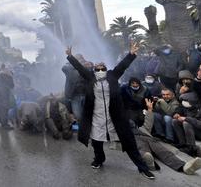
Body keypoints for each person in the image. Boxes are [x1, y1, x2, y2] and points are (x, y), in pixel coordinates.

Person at [66, 43, 155, 179]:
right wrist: (70, 56)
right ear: (94, 69)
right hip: (96, 116)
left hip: (115, 116)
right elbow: (79, 68)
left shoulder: (113, 75)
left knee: (129, 141)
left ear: (106, 69)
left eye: (103, 68)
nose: (101, 69)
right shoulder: (89, 77)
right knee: (96, 141)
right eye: (98, 68)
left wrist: (131, 54)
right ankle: (99, 159)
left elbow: (123, 65)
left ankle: (142, 167)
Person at [133, 99, 201, 175]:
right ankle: (149, 163)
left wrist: (150, 109)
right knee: (143, 151)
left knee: (165, 152)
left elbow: (148, 123)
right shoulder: (126, 132)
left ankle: (185, 167)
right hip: (135, 139)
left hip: (149, 138)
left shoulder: (142, 128)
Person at [172, 92, 201, 156]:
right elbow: (179, 110)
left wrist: (187, 119)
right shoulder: (187, 107)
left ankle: (191, 148)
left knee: (186, 123)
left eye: (186, 100)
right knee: (175, 121)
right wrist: (177, 114)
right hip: (192, 131)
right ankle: (182, 143)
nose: (184, 102)